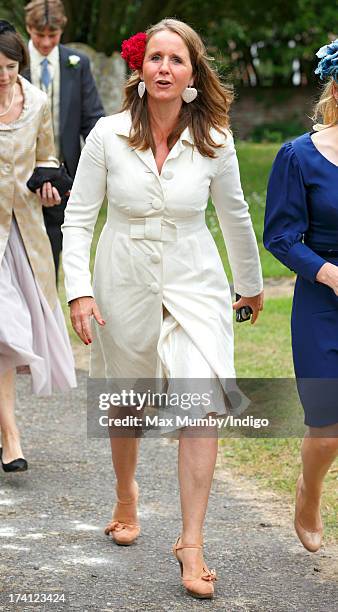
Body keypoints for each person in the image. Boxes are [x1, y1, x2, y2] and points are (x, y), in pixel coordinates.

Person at [62, 19, 263, 600]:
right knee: (129, 402)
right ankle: (127, 492)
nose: (165, 68)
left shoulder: (216, 141)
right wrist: (78, 290)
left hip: (194, 279)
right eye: (156, 58)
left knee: (203, 401)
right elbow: (79, 219)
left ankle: (191, 543)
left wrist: (249, 286)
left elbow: (234, 217)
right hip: (121, 276)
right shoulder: (107, 134)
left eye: (177, 59)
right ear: (141, 68)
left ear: (192, 73)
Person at [264, 39, 338, 553]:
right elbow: (282, 236)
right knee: (328, 429)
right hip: (322, 303)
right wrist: (327, 272)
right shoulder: (298, 155)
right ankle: (309, 490)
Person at [0, 20, 76, 473]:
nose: (2, 76)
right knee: (4, 330)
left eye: (9, 67)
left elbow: (47, 156)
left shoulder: (38, 103)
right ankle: (11, 436)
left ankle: (7, 432)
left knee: (8, 333)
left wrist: (48, 184)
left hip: (23, 235)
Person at [23, 0, 105, 281]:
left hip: (63, 176)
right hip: (19, 174)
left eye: (53, 35)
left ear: (62, 30)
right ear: (28, 28)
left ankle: (47, 316)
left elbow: (92, 118)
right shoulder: (12, 63)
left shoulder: (77, 64)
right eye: (39, 34)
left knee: (54, 251)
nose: (46, 42)